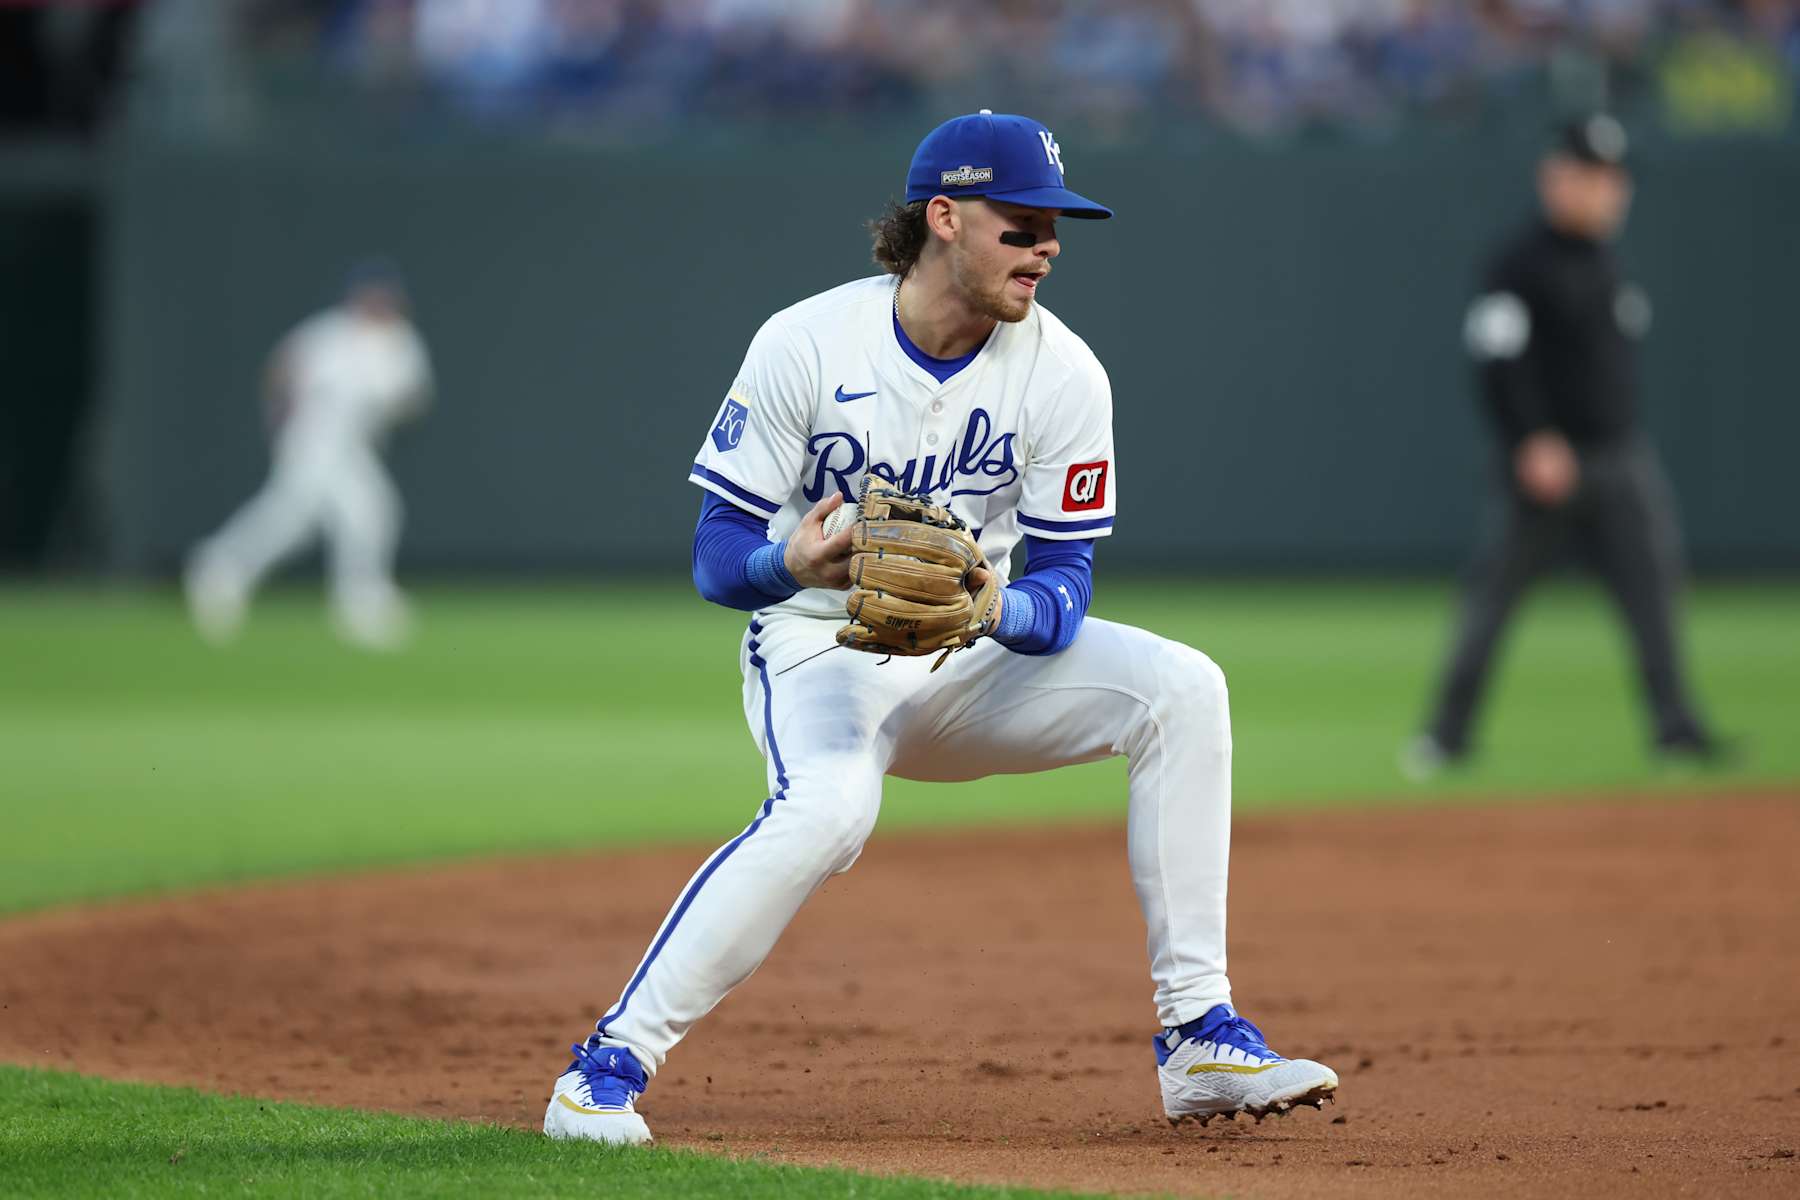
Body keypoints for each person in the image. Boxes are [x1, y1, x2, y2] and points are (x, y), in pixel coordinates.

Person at [542, 111, 1338, 1145]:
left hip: (972, 658)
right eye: (1023, 222)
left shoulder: (1065, 375)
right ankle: (603, 1070)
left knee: (1183, 690)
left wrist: (992, 606)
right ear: (946, 218)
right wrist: (790, 561)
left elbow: (1060, 589)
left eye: (1057, 225)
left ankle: (1197, 1039)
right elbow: (714, 561)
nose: (1046, 246)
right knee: (829, 811)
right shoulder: (807, 343)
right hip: (823, 646)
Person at [1407, 115, 1726, 776]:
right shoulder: (1519, 261)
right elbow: (1495, 360)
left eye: (1613, 179)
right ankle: (1444, 736)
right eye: (1591, 177)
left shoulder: (1608, 261)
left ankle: (1675, 729)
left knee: (1654, 597)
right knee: (1492, 601)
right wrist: (1529, 440)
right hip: (1547, 464)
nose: (1606, 192)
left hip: (1620, 458)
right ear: (1555, 178)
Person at [184, 262, 433, 649]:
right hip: (313, 439)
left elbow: (413, 399)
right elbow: (281, 368)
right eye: (373, 294)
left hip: (353, 445)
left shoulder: (399, 342)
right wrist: (279, 419)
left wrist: (391, 408)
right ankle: (359, 602)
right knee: (351, 512)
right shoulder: (330, 333)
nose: (380, 302)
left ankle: (221, 566)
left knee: (312, 520)